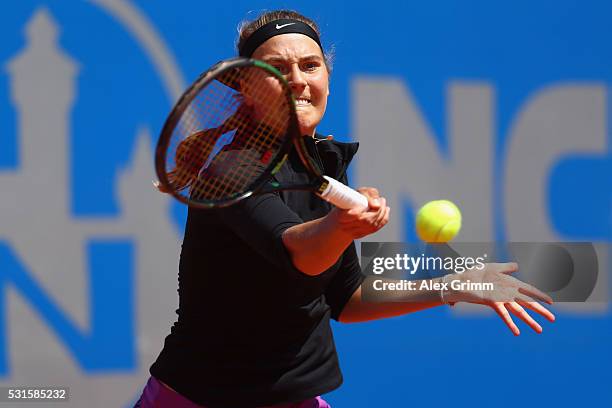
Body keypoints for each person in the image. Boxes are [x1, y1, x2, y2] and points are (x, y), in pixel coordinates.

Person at [136, 9, 555, 408]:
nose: (297, 81)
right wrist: (340, 226)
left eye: (310, 66)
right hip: (198, 398)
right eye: (277, 69)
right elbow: (300, 253)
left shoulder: (321, 163)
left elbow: (345, 298)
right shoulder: (233, 170)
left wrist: (450, 285)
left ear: (328, 79)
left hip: (296, 397)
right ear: (247, 86)